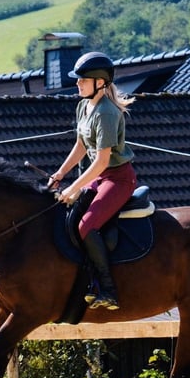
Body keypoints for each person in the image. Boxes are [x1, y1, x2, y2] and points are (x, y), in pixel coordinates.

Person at [48, 51, 136, 310]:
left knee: (86, 225)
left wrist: (74, 188)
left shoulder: (106, 114)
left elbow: (101, 161)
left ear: (100, 82)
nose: (77, 83)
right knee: (67, 218)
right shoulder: (83, 106)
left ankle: (108, 289)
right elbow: (80, 146)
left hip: (118, 179)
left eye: (82, 80)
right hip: (99, 175)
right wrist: (60, 174)